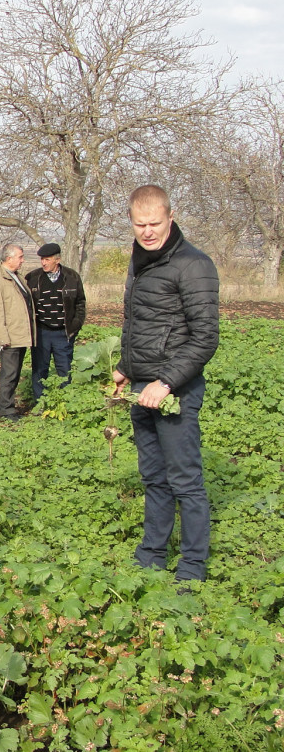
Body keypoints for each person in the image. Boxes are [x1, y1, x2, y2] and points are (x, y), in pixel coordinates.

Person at [112, 185, 219, 587]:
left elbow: (205, 336)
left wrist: (167, 382)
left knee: (185, 480)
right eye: (140, 224)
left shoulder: (193, 264)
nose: (148, 231)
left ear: (170, 217)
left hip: (176, 390)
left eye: (155, 223)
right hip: (143, 387)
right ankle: (152, 555)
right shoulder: (139, 260)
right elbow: (137, 322)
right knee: (153, 477)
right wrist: (126, 366)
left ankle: (192, 566)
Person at [25, 242, 87, 400]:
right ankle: (40, 403)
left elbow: (80, 302)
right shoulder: (33, 278)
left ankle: (65, 403)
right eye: (42, 260)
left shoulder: (72, 277)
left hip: (63, 333)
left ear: (57, 260)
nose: (43, 263)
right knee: (40, 369)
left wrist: (75, 325)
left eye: (47, 259)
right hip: (41, 332)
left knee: (65, 370)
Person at [0, 242, 35, 421]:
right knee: (9, 374)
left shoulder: (16, 277)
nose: (22, 260)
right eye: (20, 257)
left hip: (19, 335)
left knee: (15, 372)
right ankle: (6, 410)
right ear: (9, 258)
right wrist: (3, 337)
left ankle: (8, 408)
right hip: (9, 338)